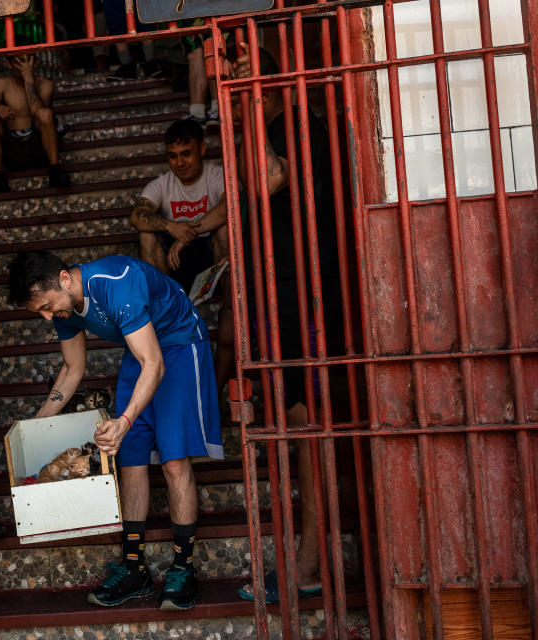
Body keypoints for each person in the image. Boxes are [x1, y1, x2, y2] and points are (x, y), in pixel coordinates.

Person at [8, 250, 223, 611]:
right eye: (40, 311)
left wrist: (124, 420)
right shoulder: (64, 308)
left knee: (173, 461)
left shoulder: (115, 283)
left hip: (178, 344)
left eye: (47, 306)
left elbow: (153, 363)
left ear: (64, 278)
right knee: (131, 459)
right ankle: (135, 568)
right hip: (140, 350)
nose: (47, 316)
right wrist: (36, 424)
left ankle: (183, 568)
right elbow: (73, 370)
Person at [225, 43, 342, 605]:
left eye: (247, 71)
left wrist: (249, 110)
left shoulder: (298, 124)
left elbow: (264, 181)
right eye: (232, 71)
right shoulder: (259, 126)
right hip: (278, 298)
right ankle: (304, 561)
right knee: (297, 427)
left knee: (309, 429)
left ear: (272, 78)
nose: (236, 77)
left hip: (306, 297)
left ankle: (309, 564)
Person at [129, 118, 228, 294]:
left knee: (224, 230)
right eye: (173, 156)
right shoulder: (161, 184)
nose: (180, 162)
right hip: (174, 262)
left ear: (202, 149)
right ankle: (166, 305)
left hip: (211, 257)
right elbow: (136, 216)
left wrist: (186, 236)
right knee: (146, 236)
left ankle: (229, 299)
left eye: (186, 153)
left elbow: (229, 206)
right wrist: (170, 226)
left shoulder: (217, 175)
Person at [0, 51, 71, 195]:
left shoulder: (45, 84)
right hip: (12, 151)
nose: (24, 66)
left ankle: (55, 170)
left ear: (36, 62)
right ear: (9, 64)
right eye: (20, 61)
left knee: (44, 114)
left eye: (28, 61)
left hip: (38, 148)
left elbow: (38, 110)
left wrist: (28, 78)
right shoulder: (3, 84)